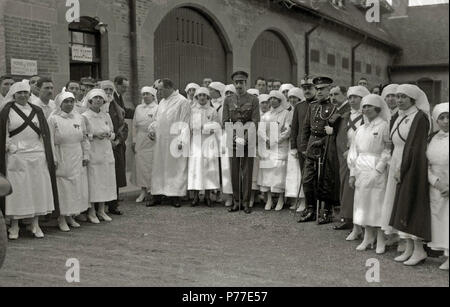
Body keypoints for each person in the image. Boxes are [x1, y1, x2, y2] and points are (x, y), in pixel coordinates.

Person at [0, 81, 59, 239]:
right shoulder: (7, 111)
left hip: (37, 155)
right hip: (17, 156)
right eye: (20, 93)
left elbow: (44, 134)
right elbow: (3, 133)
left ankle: (35, 223)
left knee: (37, 189)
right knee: (19, 191)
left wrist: (47, 154)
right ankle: (14, 226)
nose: (23, 95)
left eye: (26, 92)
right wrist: (8, 147)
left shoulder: (37, 110)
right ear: (14, 95)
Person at [382, 84, 431, 266]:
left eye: (403, 97)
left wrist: (403, 169)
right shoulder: (399, 116)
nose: (399, 100)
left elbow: (415, 148)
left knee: (411, 203)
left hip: (413, 165)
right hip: (398, 160)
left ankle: (418, 250)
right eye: (397, 96)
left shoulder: (419, 118)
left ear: (412, 99)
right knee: (400, 204)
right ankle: (408, 247)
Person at [347, 94, 391, 253]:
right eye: (364, 107)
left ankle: (380, 239)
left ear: (377, 108)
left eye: (369, 106)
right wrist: (352, 173)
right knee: (362, 204)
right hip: (361, 170)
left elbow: (387, 149)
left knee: (376, 204)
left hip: (376, 169)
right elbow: (354, 151)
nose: (366, 109)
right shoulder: (360, 129)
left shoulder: (384, 126)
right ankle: (367, 237)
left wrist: (379, 168)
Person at [48, 92, 90, 231]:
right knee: (63, 186)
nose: (70, 104)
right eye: (66, 101)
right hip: (62, 154)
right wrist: (53, 158)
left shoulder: (79, 118)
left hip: (76, 155)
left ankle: (71, 215)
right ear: (60, 104)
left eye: (72, 101)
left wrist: (86, 155)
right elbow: (50, 141)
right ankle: (61, 217)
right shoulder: (53, 119)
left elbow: (84, 138)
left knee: (75, 185)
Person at [298, 76, 338, 224]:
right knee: (307, 179)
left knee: (325, 179)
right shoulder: (312, 106)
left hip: (326, 144)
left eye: (322, 89)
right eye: (318, 89)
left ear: (329, 90)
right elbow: (306, 128)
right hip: (311, 145)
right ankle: (310, 209)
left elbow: (335, 130)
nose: (319, 92)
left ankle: (326, 211)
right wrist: (304, 147)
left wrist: (323, 141)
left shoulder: (335, 108)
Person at [222, 71, 260, 214]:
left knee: (247, 172)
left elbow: (255, 121)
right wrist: (234, 138)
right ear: (233, 83)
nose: (239, 85)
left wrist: (244, 138)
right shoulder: (228, 100)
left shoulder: (253, 100)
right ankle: (236, 201)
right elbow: (225, 121)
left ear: (246, 83)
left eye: (241, 82)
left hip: (247, 140)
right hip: (233, 140)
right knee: (234, 172)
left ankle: (245, 203)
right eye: (236, 82)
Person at [149, 79, 191, 208]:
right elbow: (157, 120)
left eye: (160, 89)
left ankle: (175, 196)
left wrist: (181, 141)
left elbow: (185, 123)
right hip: (161, 141)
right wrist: (152, 130)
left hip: (174, 141)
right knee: (159, 168)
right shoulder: (162, 102)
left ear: (169, 88)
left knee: (175, 168)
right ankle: (157, 194)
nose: (158, 92)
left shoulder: (182, 101)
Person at [337, 86, 371, 239]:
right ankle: (348, 218)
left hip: (362, 155)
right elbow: (341, 136)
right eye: (350, 97)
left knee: (361, 188)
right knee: (346, 185)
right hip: (346, 155)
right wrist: (345, 150)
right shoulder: (345, 116)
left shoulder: (368, 116)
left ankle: (364, 223)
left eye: (355, 97)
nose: (352, 100)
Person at [82, 89, 117, 223]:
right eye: (95, 98)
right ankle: (91, 212)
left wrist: (109, 135)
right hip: (93, 151)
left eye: (100, 98)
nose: (98, 100)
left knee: (105, 181)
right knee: (94, 181)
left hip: (106, 152)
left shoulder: (105, 116)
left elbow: (112, 132)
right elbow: (83, 135)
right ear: (90, 100)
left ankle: (101, 210)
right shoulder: (85, 116)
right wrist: (94, 135)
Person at [188, 87, 221, 207]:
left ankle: (208, 196)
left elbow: (217, 126)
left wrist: (207, 128)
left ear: (208, 97)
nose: (202, 98)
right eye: (199, 95)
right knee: (196, 168)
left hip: (208, 142)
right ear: (196, 97)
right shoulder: (192, 110)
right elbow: (189, 125)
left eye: (204, 95)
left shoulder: (212, 111)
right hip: (196, 142)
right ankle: (196, 196)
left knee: (208, 168)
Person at [259, 91, 291, 211]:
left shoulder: (286, 114)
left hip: (280, 147)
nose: (272, 101)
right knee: (267, 173)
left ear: (280, 100)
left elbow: (287, 130)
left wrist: (276, 140)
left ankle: (281, 199)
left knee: (279, 174)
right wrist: (267, 139)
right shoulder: (266, 115)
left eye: (275, 98)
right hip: (268, 147)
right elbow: (261, 130)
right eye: (270, 98)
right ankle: (269, 199)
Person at [427, 102, 449, 270]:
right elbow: (425, 164)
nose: (446, 121)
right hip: (436, 184)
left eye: (449, 117)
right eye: (442, 118)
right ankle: (444, 253)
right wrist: (435, 181)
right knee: (440, 220)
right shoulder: (431, 138)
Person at [101, 80, 128, 216]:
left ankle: (113, 204)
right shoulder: (96, 106)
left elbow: (123, 126)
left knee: (115, 176)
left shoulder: (116, 107)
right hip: (99, 147)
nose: (108, 93)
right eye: (105, 90)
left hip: (115, 146)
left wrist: (117, 140)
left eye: (110, 90)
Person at [132, 86, 158, 204]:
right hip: (140, 139)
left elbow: (158, 123)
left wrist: (154, 133)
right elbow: (134, 125)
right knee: (141, 166)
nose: (145, 96)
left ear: (153, 96)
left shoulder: (157, 108)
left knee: (152, 165)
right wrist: (133, 140)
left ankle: (152, 190)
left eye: (148, 94)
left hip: (152, 140)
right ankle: (143, 190)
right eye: (143, 94)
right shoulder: (138, 108)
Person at [285, 88, 305, 211]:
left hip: (298, 144)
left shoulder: (302, 110)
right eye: (290, 97)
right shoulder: (289, 111)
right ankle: (296, 200)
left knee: (300, 173)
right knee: (293, 174)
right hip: (290, 144)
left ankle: (304, 200)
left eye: (295, 97)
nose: (292, 100)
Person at [250, 94, 271, 208]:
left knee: (266, 172)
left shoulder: (271, 116)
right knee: (254, 172)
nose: (264, 105)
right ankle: (253, 197)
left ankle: (267, 197)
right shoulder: (255, 115)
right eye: (262, 103)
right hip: (256, 146)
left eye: (266, 102)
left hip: (267, 148)